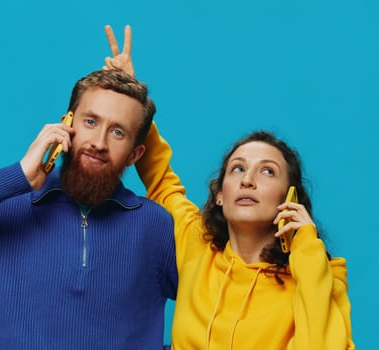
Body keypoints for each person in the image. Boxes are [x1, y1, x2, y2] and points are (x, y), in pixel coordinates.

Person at [104, 25, 354, 349]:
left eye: (267, 171)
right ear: (220, 194)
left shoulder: (318, 276)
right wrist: (131, 95)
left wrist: (307, 248)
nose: (248, 179)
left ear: (289, 198)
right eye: (237, 169)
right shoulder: (198, 246)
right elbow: (160, 178)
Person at [0, 69, 178, 349]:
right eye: (90, 121)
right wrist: (20, 175)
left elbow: (212, 303)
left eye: (118, 132)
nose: (99, 143)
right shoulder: (8, 209)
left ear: (135, 154)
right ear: (66, 124)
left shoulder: (156, 225)